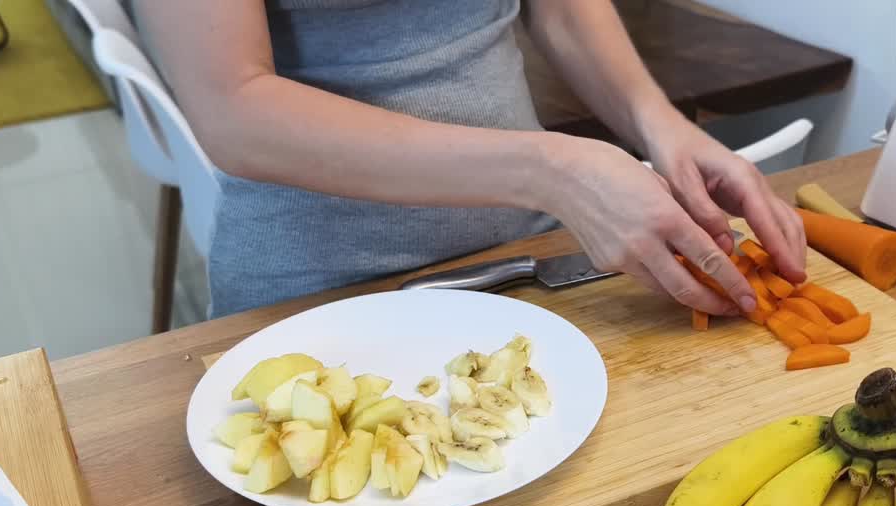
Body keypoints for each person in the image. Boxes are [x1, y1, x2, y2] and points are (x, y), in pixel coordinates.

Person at [134, 0, 806, 318]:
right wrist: (549, 170)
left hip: (525, 261)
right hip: (323, 290)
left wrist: (657, 122)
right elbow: (234, 111)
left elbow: (564, 10)